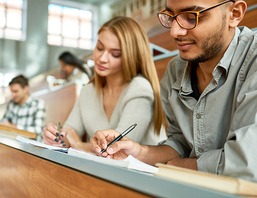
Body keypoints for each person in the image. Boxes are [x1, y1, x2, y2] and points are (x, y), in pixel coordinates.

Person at [91, 0, 257, 182]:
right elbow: (180, 144)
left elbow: (247, 162)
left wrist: (187, 165)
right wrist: (139, 152)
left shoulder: (253, 62)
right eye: (171, 17)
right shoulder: (175, 71)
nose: (174, 32)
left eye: (191, 17)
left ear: (234, 13)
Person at [42, 16, 167, 152]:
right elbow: (70, 131)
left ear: (131, 57)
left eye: (115, 54)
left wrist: (78, 145)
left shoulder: (140, 89)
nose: (101, 59)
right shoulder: (88, 90)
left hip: (141, 171)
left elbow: (119, 149)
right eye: (100, 48)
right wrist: (56, 136)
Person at [0, 75, 46, 141]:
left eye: (16, 91)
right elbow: (3, 121)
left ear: (25, 89)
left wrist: (14, 127)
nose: (13, 95)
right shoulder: (11, 103)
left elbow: (38, 130)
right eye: (12, 92)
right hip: (13, 142)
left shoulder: (38, 104)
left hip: (31, 145)